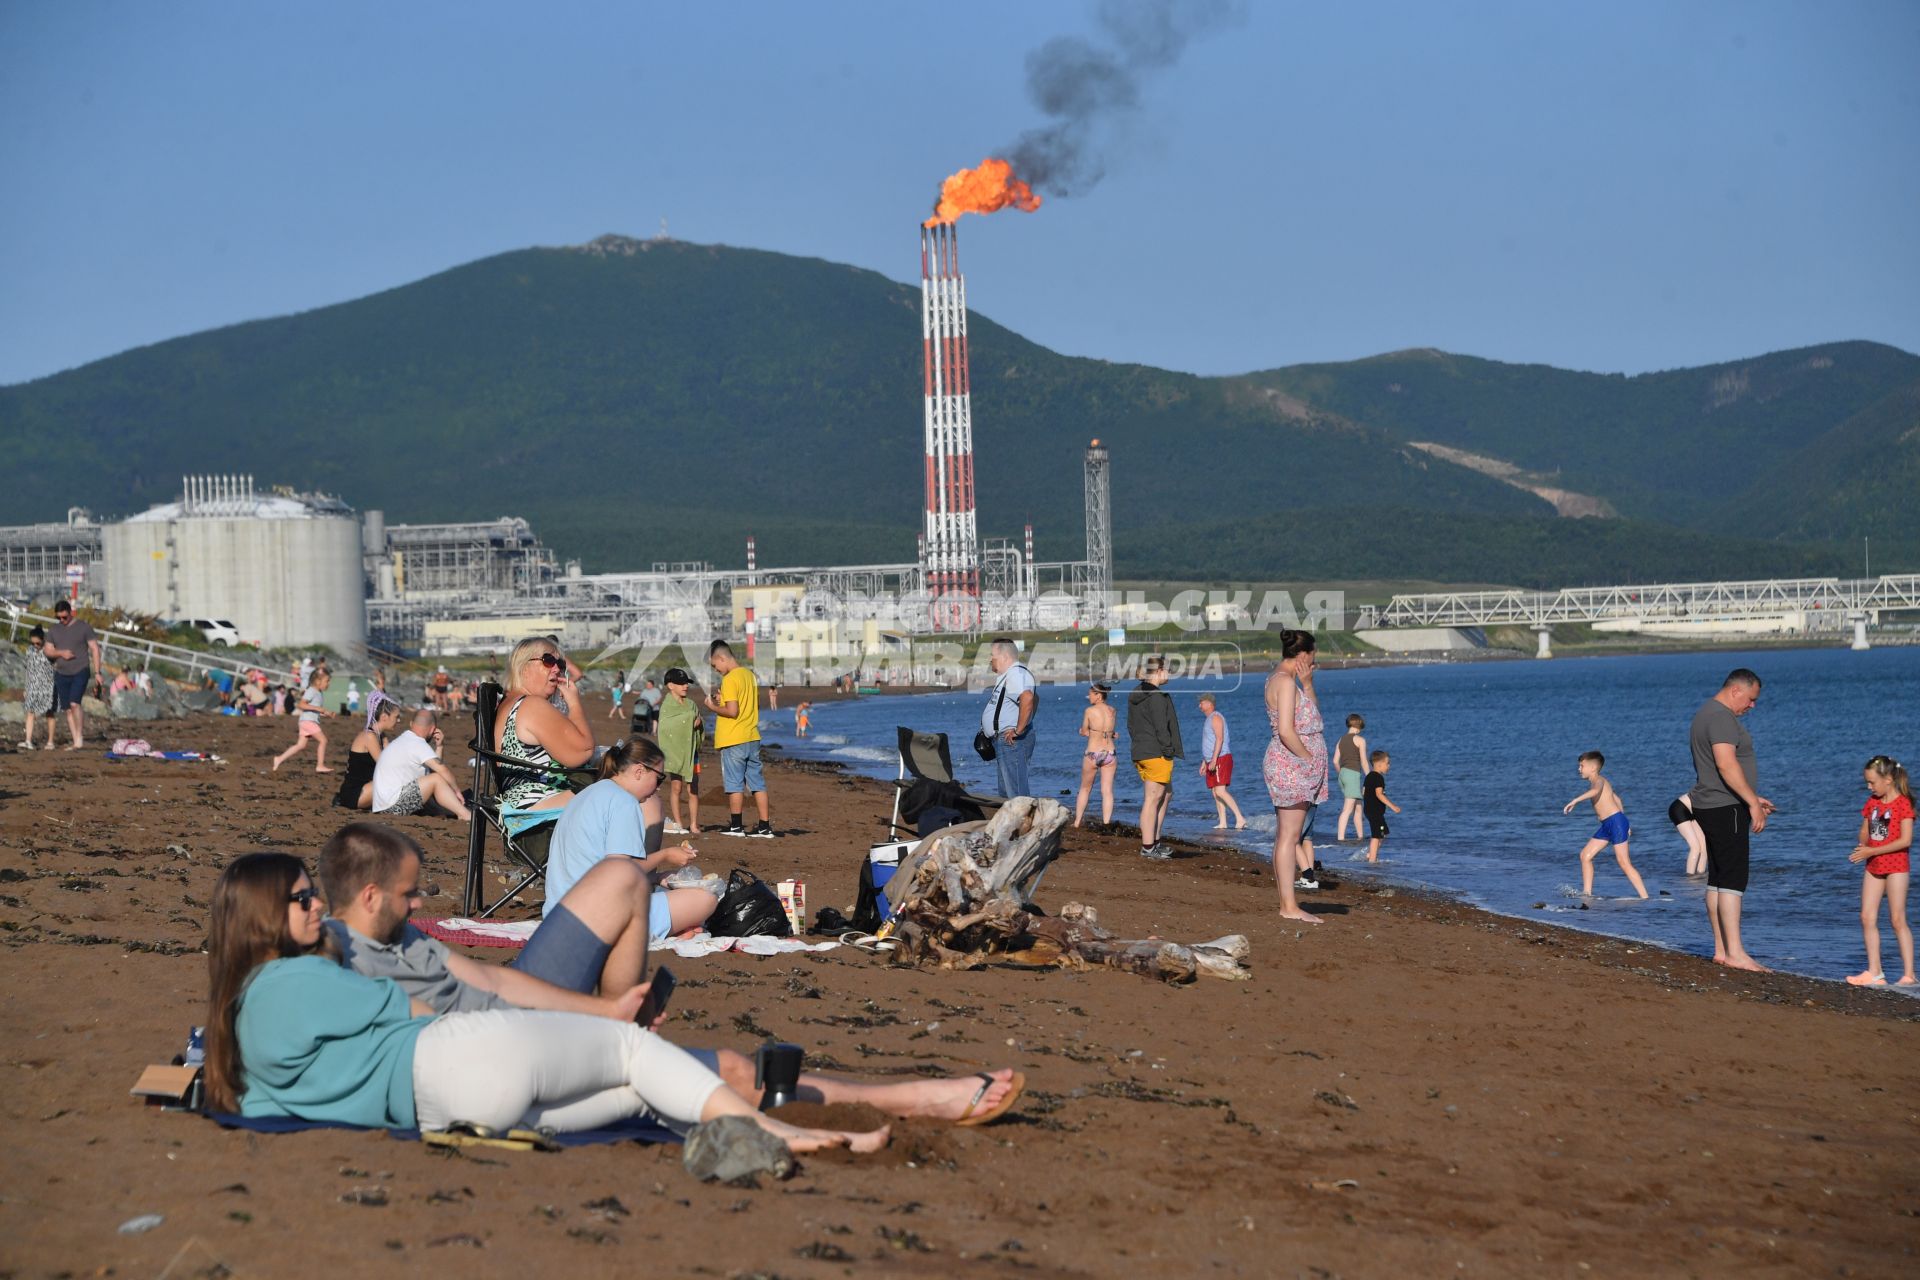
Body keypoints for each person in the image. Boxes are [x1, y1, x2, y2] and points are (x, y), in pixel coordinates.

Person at [316, 824, 1026, 1125]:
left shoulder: (402, 934)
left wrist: (605, 1011)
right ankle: (921, 1098)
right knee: (738, 1074)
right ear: (369, 896)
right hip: (497, 1051)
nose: (421, 907)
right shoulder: (340, 965)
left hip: (520, 1016)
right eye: (409, 895)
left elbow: (492, 979)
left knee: (621, 876)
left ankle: (624, 1021)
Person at [202, 851, 887, 1153]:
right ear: (264, 913)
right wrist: (550, 1028)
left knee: (632, 1091)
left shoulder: (239, 1032)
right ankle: (786, 1133)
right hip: (451, 1062)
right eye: (300, 898)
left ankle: (743, 1133)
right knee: (631, 1050)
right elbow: (418, 1020)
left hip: (441, 1112)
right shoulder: (297, 979)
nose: (317, 903)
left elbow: (269, 1103)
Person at [546, 738, 719, 938]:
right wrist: (665, 855)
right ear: (639, 771)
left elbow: (605, 866)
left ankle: (679, 928)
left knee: (669, 897)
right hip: (592, 919)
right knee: (706, 899)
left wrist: (655, 877)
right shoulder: (624, 802)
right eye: (659, 778)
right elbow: (619, 869)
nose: (658, 787)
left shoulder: (590, 792)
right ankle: (678, 928)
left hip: (557, 912)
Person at [1687, 669, 1775, 972]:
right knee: (1734, 880)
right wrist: (1751, 803)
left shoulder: (1705, 713)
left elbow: (1716, 770)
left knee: (1718, 879)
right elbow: (1725, 764)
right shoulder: (1722, 717)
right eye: (1750, 699)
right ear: (1736, 690)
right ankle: (1736, 953)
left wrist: (1751, 795)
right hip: (1725, 807)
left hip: (1713, 803)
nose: (1752, 706)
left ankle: (1722, 950)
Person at [1263, 630, 1327, 924]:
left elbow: (1313, 717)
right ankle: (1288, 905)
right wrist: (1308, 759)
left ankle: (1288, 903)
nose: (1314, 661)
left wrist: (1308, 683)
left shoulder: (1290, 681)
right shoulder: (1284, 682)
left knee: (1288, 837)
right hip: (1292, 766)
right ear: (1303, 655)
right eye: (1313, 656)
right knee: (1289, 837)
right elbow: (1287, 731)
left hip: (1294, 765)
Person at [496, 637, 595, 811]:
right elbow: (582, 751)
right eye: (548, 661)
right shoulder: (531, 705)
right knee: (630, 790)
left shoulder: (510, 700)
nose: (557, 669)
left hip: (520, 798)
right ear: (524, 667)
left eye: (560, 663)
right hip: (537, 800)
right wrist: (574, 704)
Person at [1847, 755, 1915, 987]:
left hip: (1896, 866)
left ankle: (1909, 974)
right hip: (1874, 866)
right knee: (1866, 916)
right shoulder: (1872, 803)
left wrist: (1871, 851)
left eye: (1872, 782)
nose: (1869, 787)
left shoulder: (1903, 804)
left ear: (1888, 780)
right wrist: (1864, 844)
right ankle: (1875, 972)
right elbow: (1864, 834)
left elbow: (1905, 840)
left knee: (1897, 919)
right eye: (1867, 782)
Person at [703, 640, 772, 838]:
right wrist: (721, 700)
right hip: (752, 736)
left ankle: (736, 826)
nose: (716, 670)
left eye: (715, 666)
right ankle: (765, 826)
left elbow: (732, 712)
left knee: (734, 783)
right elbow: (747, 705)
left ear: (721, 658)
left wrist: (712, 707)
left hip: (734, 738)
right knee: (757, 782)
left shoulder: (730, 679)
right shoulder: (749, 675)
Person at [1564, 751, 1649, 899]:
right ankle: (1587, 893)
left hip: (1615, 823)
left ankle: (1645, 897)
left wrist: (1575, 800)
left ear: (1593, 768)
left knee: (1624, 862)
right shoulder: (1600, 782)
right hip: (1608, 825)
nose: (1579, 769)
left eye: (1581, 766)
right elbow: (1617, 799)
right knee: (1585, 856)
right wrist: (1626, 822)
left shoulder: (1599, 780)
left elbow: (1595, 791)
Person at [373, 707, 471, 821]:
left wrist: (439, 746)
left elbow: (434, 771)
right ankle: (465, 814)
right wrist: (457, 791)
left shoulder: (403, 740)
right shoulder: (417, 743)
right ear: (433, 729)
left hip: (383, 806)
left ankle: (447, 812)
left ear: (411, 724)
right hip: (392, 808)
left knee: (435, 780)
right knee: (436, 779)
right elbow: (441, 771)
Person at [1128, 658, 1183, 860]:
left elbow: (1131, 726)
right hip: (1155, 752)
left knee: (1166, 794)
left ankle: (1155, 841)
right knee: (1152, 800)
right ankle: (1149, 847)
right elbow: (1162, 728)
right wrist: (1168, 751)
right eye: (1167, 670)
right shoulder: (1157, 697)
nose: (1169, 674)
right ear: (1158, 671)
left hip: (1142, 751)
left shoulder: (1137, 693)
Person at [981, 638, 1037, 799]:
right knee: (1007, 793)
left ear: (1005, 656)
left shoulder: (1015, 674)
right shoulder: (1010, 675)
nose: (990, 659)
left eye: (993, 655)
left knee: (1016, 794)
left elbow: (1027, 698)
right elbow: (1031, 700)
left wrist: (1019, 730)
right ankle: (1016, 823)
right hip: (1006, 741)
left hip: (1011, 741)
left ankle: (1023, 823)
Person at [44, 599, 101, 750]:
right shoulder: (54, 630)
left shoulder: (84, 627)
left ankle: (79, 738)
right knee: (67, 708)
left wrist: (97, 672)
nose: (61, 620)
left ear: (71, 613)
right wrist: (61, 652)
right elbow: (47, 650)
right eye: (58, 618)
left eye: (64, 617)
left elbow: (95, 648)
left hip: (80, 669)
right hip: (61, 672)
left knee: (75, 703)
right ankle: (76, 741)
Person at [334, 693, 401, 811]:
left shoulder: (379, 735)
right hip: (355, 794)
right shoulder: (369, 736)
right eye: (396, 717)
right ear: (384, 717)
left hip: (365, 789)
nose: (399, 720)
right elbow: (385, 765)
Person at [658, 668, 704, 836]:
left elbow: (697, 720)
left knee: (694, 788)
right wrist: (689, 721)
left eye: (687, 683)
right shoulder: (667, 705)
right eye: (681, 683)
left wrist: (697, 722)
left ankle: (693, 824)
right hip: (674, 752)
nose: (685, 686)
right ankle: (678, 822)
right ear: (671, 685)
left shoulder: (691, 704)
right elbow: (665, 727)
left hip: (692, 753)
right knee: (676, 787)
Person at [1073, 683, 1118, 828]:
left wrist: (1083, 732)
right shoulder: (1112, 710)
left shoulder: (1089, 711)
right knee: (1107, 791)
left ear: (1098, 695)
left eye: (1091, 694)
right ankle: (1106, 823)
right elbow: (1111, 732)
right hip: (1110, 753)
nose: (1089, 697)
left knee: (1085, 788)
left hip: (1093, 753)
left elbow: (1085, 731)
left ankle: (1077, 822)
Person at [1198, 693, 1245, 831]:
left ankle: (1240, 818)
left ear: (1209, 703)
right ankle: (1223, 822)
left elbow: (1220, 739)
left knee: (1220, 790)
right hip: (1211, 760)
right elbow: (1210, 742)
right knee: (1215, 792)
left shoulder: (1216, 717)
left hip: (1221, 758)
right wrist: (1204, 762)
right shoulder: (1208, 719)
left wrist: (1213, 760)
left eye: (1202, 702)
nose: (1199, 705)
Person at [272, 672, 335, 774]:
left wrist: (325, 713)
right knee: (323, 740)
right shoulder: (312, 691)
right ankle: (320, 765)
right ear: (318, 682)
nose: (328, 683)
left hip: (307, 720)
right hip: (308, 721)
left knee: (300, 745)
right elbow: (301, 704)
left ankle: (279, 759)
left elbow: (313, 710)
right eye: (327, 681)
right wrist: (318, 708)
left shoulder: (319, 693)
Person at [1333, 714, 1369, 841]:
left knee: (1358, 807)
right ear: (1358, 726)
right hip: (1353, 774)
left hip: (1343, 774)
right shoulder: (1360, 740)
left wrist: (1341, 773)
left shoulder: (1341, 740)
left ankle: (1360, 837)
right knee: (1347, 809)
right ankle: (1340, 838)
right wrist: (1370, 777)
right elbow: (1364, 762)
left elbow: (1335, 761)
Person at [20, 627, 56, 750]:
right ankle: (28, 741)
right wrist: (26, 687)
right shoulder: (29, 651)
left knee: (49, 713)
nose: (35, 645)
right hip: (32, 686)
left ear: (43, 640)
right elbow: (28, 669)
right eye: (32, 643)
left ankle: (50, 742)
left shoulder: (50, 650)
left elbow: (58, 666)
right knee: (30, 712)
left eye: (38, 643)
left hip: (47, 686)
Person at [1362, 751, 1399, 864]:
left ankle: (1370, 854)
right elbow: (1379, 794)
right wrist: (1393, 806)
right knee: (1376, 835)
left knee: (1383, 833)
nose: (1389, 766)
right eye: (1387, 763)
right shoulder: (1378, 778)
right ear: (1379, 764)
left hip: (1370, 810)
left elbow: (1363, 791)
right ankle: (1372, 860)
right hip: (1375, 812)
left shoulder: (1369, 776)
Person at [1668, 794, 1707, 876]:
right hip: (1679, 808)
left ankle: (1701, 876)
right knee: (1695, 847)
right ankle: (1690, 879)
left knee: (1705, 847)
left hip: (1694, 811)